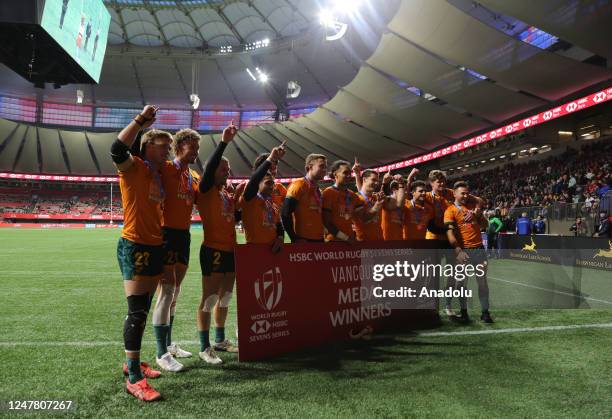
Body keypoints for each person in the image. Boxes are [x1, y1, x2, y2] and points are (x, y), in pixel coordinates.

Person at [110, 105, 168, 401]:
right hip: (134, 246)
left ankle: (133, 362)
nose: (168, 150)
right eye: (163, 146)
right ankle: (133, 377)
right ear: (147, 147)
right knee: (136, 312)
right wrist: (141, 120)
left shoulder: (157, 175)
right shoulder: (133, 167)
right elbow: (117, 148)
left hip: (154, 246)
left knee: (142, 310)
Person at [151, 129, 201, 372]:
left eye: (197, 149)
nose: (196, 153)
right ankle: (161, 353)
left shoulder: (193, 176)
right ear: (180, 147)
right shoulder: (166, 168)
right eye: (193, 148)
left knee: (175, 291)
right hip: (166, 234)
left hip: (184, 235)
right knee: (166, 290)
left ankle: (169, 344)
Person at [196, 122, 239, 364]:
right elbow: (211, 167)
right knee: (210, 298)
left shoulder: (226, 194)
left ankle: (220, 339)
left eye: (229, 169)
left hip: (230, 251)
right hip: (212, 249)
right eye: (223, 169)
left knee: (225, 297)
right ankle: (204, 347)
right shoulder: (206, 190)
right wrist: (223, 143)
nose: (227, 173)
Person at [445, 181, 492, 324]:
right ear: (454, 194)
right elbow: (450, 233)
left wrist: (479, 216)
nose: (465, 196)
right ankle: (464, 312)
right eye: (462, 193)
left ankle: (485, 313)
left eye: (467, 193)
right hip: (463, 251)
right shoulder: (450, 211)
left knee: (482, 282)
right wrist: (458, 250)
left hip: (479, 250)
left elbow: (485, 225)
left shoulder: (473, 207)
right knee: (461, 283)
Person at [240, 143, 287, 250]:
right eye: (270, 168)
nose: (273, 171)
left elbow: (279, 222)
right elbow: (254, 181)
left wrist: (280, 237)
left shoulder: (278, 190)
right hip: (255, 249)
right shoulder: (250, 189)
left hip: (274, 249)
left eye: (275, 168)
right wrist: (271, 157)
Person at [282, 154, 327, 242]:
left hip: (320, 239)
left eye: (325, 167)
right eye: (321, 166)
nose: (325, 170)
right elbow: (285, 213)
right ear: (309, 167)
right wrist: (293, 237)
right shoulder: (298, 185)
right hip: (303, 239)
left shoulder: (318, 190)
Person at [322, 160, 364, 243]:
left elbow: (364, 216)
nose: (349, 176)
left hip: (350, 240)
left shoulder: (352, 195)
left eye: (350, 173)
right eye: (345, 173)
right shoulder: (328, 193)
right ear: (335, 174)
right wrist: (345, 238)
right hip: (333, 241)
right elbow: (327, 222)